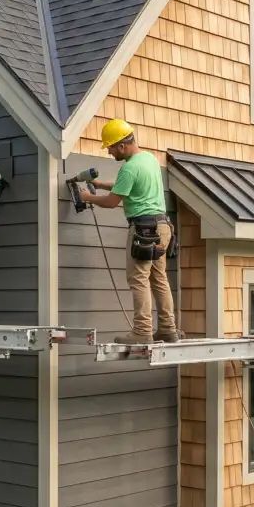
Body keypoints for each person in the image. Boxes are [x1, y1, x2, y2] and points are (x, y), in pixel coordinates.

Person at [77, 119, 181, 345]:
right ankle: (168, 329)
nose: (110, 152)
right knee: (159, 279)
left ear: (122, 145)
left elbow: (112, 202)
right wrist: (100, 184)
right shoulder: (149, 159)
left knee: (139, 279)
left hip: (143, 229)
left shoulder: (129, 168)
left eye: (111, 147)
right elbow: (128, 186)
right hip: (162, 227)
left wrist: (87, 197)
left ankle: (142, 331)